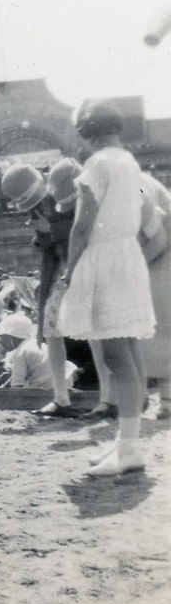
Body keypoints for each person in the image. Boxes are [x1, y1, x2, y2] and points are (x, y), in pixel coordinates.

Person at [59, 101, 155, 476]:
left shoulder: (97, 164)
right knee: (128, 348)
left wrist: (71, 270)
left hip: (106, 259)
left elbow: (82, 226)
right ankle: (126, 441)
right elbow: (144, 215)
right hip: (127, 256)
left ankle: (129, 449)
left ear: (89, 132)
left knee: (116, 355)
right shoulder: (128, 161)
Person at [0, 160, 86, 418]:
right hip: (62, 269)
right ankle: (61, 399)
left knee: (98, 332)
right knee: (51, 329)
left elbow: (85, 230)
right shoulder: (36, 209)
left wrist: (51, 229)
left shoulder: (66, 190)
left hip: (86, 264)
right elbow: (48, 254)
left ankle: (111, 400)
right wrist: (43, 299)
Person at [137, 172, 171, 420]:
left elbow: (159, 237)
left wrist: (135, 266)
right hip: (158, 251)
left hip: (164, 253)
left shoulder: (134, 187)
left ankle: (167, 401)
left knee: (161, 328)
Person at [0, 313, 66, 390]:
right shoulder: (40, 345)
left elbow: (17, 387)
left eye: (2, 337)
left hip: (40, 392)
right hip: (59, 388)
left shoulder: (20, 353)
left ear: (11, 336)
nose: (0, 341)